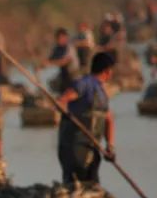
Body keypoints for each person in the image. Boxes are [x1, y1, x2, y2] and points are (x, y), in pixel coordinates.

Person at [56, 53, 116, 185]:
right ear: (107, 70)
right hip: (75, 148)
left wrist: (110, 148)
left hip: (92, 149)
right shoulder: (84, 84)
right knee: (76, 184)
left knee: (92, 184)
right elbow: (62, 100)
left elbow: (109, 119)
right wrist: (65, 112)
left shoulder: (102, 92)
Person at [47, 28, 80, 93]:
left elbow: (65, 61)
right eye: (58, 38)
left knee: (71, 90)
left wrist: (50, 63)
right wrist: (41, 66)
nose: (60, 40)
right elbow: (49, 59)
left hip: (73, 74)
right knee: (52, 84)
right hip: (63, 74)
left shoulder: (70, 47)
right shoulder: (57, 48)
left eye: (62, 38)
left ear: (66, 38)